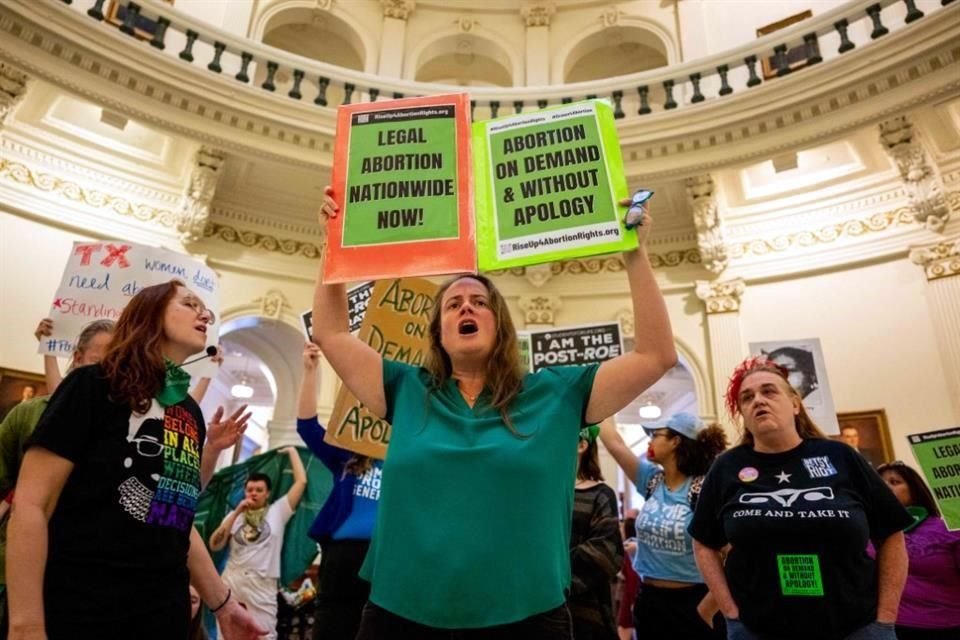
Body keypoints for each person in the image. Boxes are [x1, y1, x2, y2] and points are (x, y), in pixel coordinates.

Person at [312, 184, 676, 637]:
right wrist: (335, 246)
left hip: (526, 615)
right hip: (401, 613)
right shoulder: (405, 387)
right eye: (453, 304)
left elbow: (655, 356)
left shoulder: (558, 392)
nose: (467, 306)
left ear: (499, 325)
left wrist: (635, 254)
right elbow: (331, 333)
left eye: (479, 302)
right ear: (439, 332)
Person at [6, 280, 265, 640]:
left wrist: (225, 607)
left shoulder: (187, 412)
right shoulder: (91, 387)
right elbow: (33, 504)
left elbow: (176, 521)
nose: (204, 313)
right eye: (189, 304)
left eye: (204, 308)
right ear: (150, 312)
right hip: (82, 608)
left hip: (161, 615)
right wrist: (26, 624)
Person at [689, 356, 913, 640]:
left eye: (769, 391)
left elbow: (891, 533)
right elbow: (703, 543)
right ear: (743, 414)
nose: (758, 400)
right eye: (747, 398)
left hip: (855, 627)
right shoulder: (727, 467)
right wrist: (731, 614)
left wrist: (885, 619)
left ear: (795, 404)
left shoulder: (840, 456)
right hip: (759, 629)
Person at [0, 318, 114, 639]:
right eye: (97, 363)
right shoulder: (28, 413)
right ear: (78, 358)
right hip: (20, 567)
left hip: (83, 577)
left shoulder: (125, 430)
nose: (103, 375)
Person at [599, 413, 727, 640]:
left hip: (695, 601)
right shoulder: (652, 480)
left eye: (655, 434)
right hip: (650, 600)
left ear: (676, 441)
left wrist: (712, 605)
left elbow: (729, 553)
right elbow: (614, 442)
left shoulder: (703, 488)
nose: (650, 441)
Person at [295, 342, 382, 640]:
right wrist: (310, 371)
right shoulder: (347, 457)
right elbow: (307, 427)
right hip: (342, 556)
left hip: (384, 556)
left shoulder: (403, 461)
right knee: (332, 626)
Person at [209, 446, 307, 640]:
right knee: (225, 636)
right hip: (232, 581)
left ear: (267, 493)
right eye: (249, 490)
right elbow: (215, 544)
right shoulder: (234, 516)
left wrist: (292, 452)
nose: (253, 493)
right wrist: (237, 512)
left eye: (259, 490)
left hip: (262, 585)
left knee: (266, 635)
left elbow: (301, 482)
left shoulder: (278, 511)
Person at [876, 460, 960, 639]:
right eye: (879, 482)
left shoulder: (948, 528)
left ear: (915, 489)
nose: (884, 487)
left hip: (946, 626)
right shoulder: (868, 532)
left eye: (894, 482)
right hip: (889, 628)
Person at [568, 425, 623, 640]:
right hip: (532, 613)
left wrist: (548, 578)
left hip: (585, 611)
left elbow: (606, 552)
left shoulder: (600, 494)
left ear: (582, 445)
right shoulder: (535, 492)